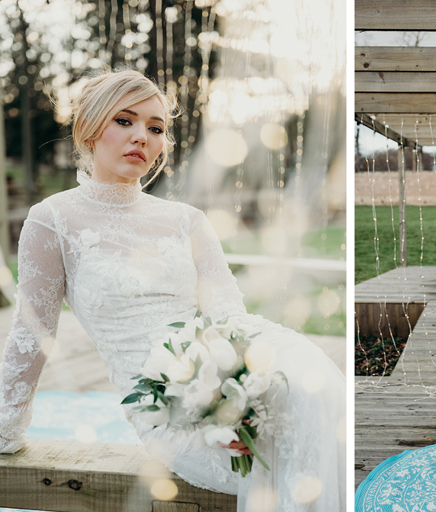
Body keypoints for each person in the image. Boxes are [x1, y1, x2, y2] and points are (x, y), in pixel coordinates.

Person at [0, 70, 345, 511]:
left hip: (224, 368)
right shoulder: (53, 219)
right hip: (164, 404)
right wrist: (6, 428)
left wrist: (239, 392)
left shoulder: (187, 220)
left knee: (309, 385)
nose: (142, 136)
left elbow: (228, 315)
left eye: (156, 127)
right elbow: (32, 333)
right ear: (88, 129)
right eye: (124, 121)